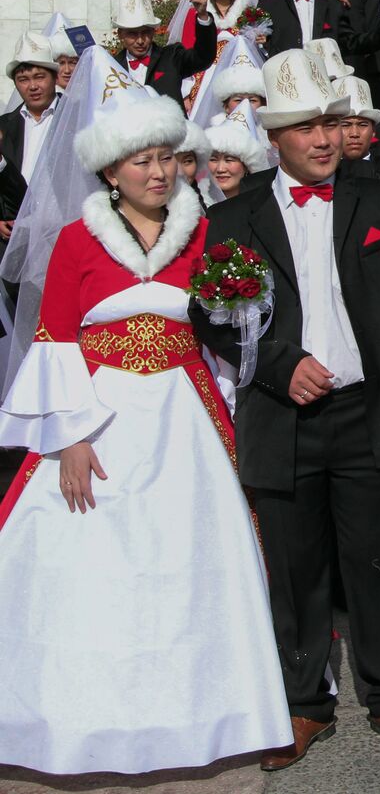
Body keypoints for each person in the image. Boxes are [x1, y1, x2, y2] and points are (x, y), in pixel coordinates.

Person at [0, 48, 291, 774]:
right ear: (109, 171)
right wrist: (68, 437)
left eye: (167, 158)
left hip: (187, 412)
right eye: (141, 161)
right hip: (100, 415)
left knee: (193, 553)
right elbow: (54, 339)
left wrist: (243, 308)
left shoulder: (206, 234)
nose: (158, 173)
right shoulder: (73, 241)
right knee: (92, 561)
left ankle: (206, 712)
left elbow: (225, 331)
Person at [189, 48, 380, 769]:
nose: (322, 139)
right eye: (305, 127)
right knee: (293, 568)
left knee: (374, 562)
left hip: (364, 412)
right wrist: (284, 367)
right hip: (279, 416)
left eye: (330, 122)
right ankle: (302, 703)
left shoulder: (379, 200)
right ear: (273, 133)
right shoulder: (230, 217)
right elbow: (212, 316)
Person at [0, 33, 61, 249]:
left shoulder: (76, 118)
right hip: (14, 236)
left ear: (55, 77)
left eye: (39, 77)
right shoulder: (4, 126)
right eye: (24, 79)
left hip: (61, 232)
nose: (32, 86)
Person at [110, 0, 218, 103]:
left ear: (153, 32)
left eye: (145, 32)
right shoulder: (112, 67)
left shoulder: (172, 57)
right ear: (120, 34)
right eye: (133, 34)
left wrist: (203, 16)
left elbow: (203, 58)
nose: (140, 40)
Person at [205, 101, 271, 200]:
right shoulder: (198, 206)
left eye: (229, 160)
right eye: (213, 159)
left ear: (247, 166)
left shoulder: (263, 206)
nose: (220, 169)